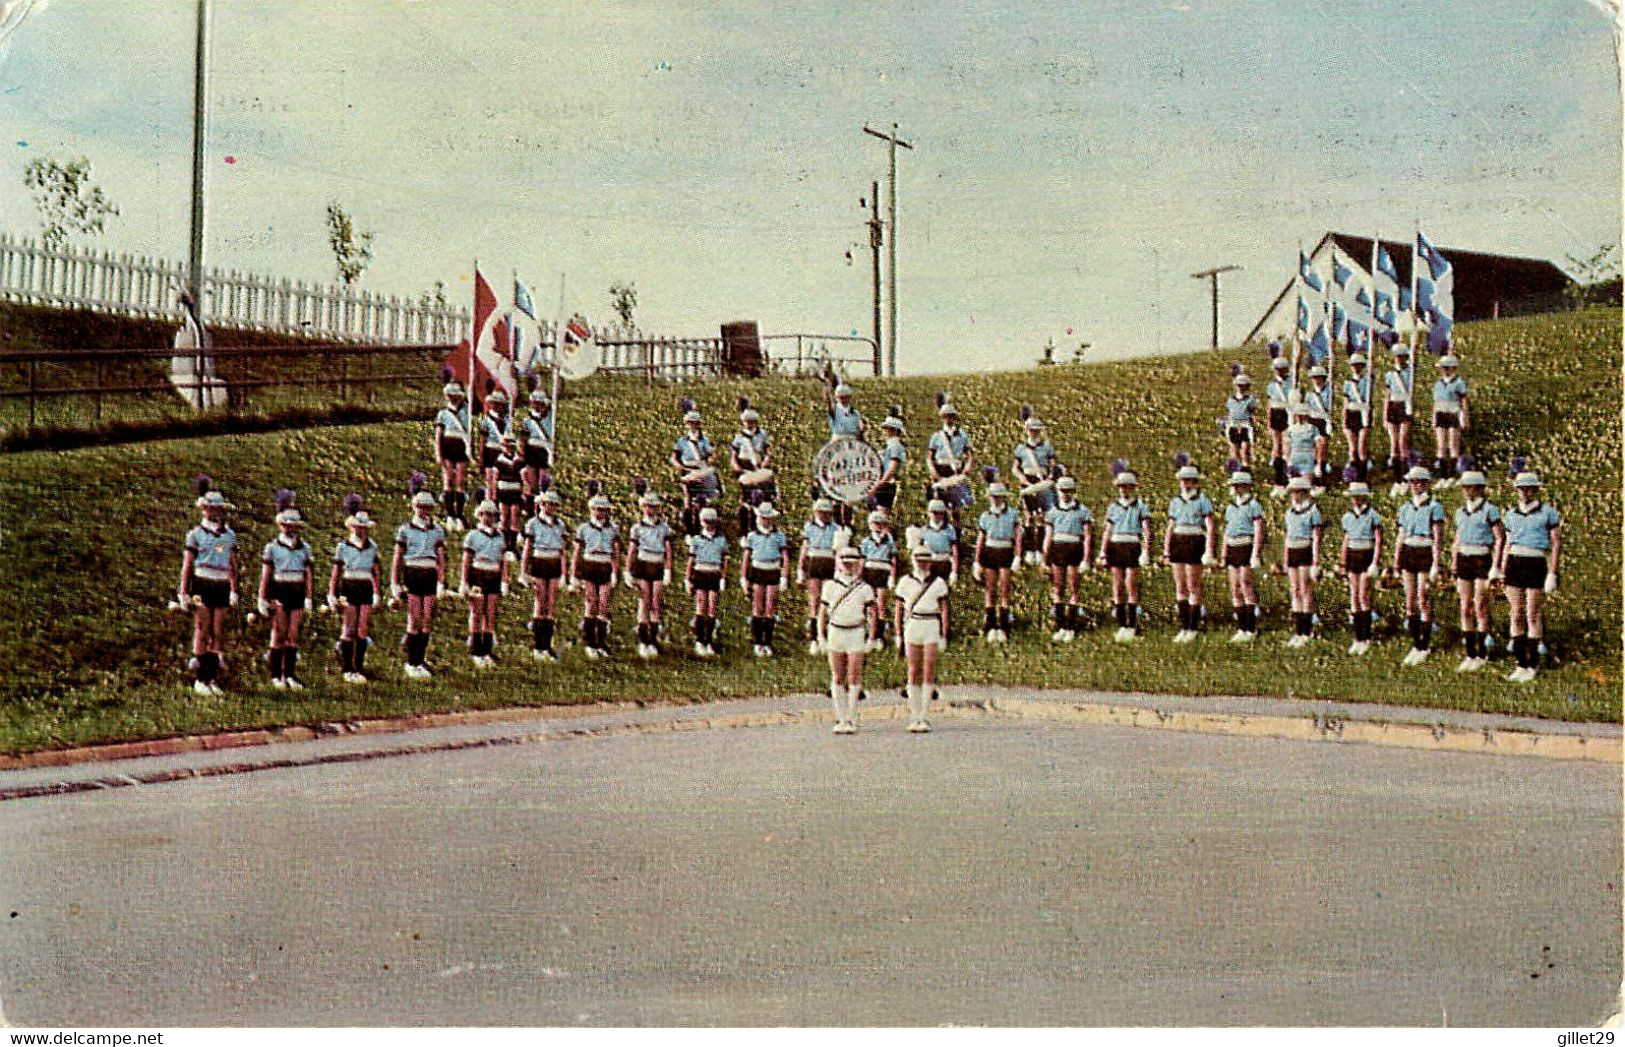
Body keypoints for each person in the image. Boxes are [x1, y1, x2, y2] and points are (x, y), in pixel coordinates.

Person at [1499, 471, 1561, 682]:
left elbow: (1555, 544)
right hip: (1515, 562)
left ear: (1535, 490)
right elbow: (1507, 544)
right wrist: (1501, 569)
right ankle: (1520, 663)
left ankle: (1532, 664)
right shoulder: (1511, 514)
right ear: (1516, 491)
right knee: (1516, 613)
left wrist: (1552, 572)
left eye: (1528, 488)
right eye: (1521, 488)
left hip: (1535, 562)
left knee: (1532, 613)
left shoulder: (1548, 513)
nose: (1524, 492)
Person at [178, 483, 239, 695]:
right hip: (202, 583)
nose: (214, 512)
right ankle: (200, 679)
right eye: (210, 508)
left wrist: (233, 588)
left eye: (217, 509)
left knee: (217, 631)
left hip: (220, 583)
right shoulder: (195, 534)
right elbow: (188, 564)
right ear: (203, 509)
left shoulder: (228, 535)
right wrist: (184, 592)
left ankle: (212, 677)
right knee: (202, 629)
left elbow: (231, 563)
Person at [1450, 469, 1504, 672]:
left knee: (1480, 604)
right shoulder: (1460, 512)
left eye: (1470, 487)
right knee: (1465, 607)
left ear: (1479, 488)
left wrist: (1496, 567)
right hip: (1464, 557)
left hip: (1482, 558)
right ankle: (1470, 653)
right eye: (1464, 487)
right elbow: (1457, 539)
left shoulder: (1489, 510)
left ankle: (1482, 652)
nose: (1467, 491)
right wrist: (1454, 562)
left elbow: (1499, 538)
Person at [894, 544, 951, 734]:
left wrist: (944, 634)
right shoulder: (905, 582)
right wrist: (898, 634)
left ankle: (924, 715)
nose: (922, 563)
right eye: (919, 559)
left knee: (928, 670)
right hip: (913, 624)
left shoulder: (938, 583)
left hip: (931, 624)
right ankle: (914, 714)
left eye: (926, 560)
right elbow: (898, 610)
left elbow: (944, 610)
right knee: (913, 669)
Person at [820, 546, 876, 735]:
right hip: (836, 631)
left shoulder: (865, 588)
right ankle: (840, 717)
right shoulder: (830, 586)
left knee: (854, 675)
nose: (848, 565)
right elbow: (822, 613)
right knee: (837, 675)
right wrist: (820, 635)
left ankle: (851, 718)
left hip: (856, 632)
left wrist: (872, 637)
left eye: (852, 561)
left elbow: (872, 614)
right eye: (845, 561)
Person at [392, 485, 446, 679]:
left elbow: (440, 558)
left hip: (429, 572)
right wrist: (395, 583)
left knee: (427, 619)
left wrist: (441, 581)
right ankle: (411, 661)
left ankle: (420, 659)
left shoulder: (437, 530)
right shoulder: (405, 530)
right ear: (414, 507)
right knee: (414, 618)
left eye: (427, 507)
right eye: (420, 507)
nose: (423, 511)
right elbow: (398, 557)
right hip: (413, 571)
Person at [1392, 465, 1445, 666]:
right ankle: (1415, 644)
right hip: (1408, 550)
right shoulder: (1405, 508)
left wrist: (1436, 564)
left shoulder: (1434, 507)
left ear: (1426, 484)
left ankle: (1425, 644)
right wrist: (1396, 561)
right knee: (1410, 601)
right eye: (1412, 482)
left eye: (1419, 482)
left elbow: (1438, 538)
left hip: (1424, 550)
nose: (1415, 486)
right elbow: (1401, 535)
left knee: (1424, 598)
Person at [258, 501, 312, 689]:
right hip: (280, 589)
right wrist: (262, 597)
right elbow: (266, 574)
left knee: (292, 634)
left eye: (293, 525)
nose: (289, 528)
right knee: (278, 632)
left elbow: (308, 575)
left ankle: (289, 674)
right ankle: (275, 675)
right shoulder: (272, 547)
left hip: (296, 590)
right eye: (286, 524)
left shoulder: (304, 548)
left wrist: (308, 597)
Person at [1098, 469, 1153, 642]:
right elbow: (1108, 531)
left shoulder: (1140, 506)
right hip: (1116, 544)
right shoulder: (1113, 507)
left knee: (1131, 584)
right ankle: (1122, 624)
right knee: (1117, 586)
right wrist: (1103, 551)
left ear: (1132, 488)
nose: (1123, 490)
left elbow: (1146, 531)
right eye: (1121, 487)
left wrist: (1145, 550)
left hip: (1132, 544)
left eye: (1127, 487)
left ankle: (1132, 625)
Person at [1164, 463, 1216, 644]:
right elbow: (1170, 527)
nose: (1186, 484)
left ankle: (1193, 627)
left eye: (1189, 481)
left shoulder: (1203, 501)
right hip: (1178, 541)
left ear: (1195, 482)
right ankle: (1184, 626)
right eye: (1183, 481)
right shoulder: (1175, 502)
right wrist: (1166, 550)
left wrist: (1209, 549)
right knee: (1180, 586)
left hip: (1195, 541)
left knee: (1193, 585)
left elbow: (1210, 527)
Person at [328, 508, 382, 684]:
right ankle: (347, 668)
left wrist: (376, 592)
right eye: (357, 527)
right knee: (349, 626)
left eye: (364, 528)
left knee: (362, 628)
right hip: (350, 585)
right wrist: (332, 593)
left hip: (364, 585)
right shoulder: (343, 546)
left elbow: (375, 572)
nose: (361, 531)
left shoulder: (372, 547)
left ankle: (358, 667)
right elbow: (336, 572)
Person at [570, 493, 621, 660]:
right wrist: (574, 574)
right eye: (598, 510)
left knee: (604, 604)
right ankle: (590, 642)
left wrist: (615, 572)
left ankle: (601, 642)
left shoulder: (613, 529)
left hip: (605, 564)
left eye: (604, 510)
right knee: (591, 602)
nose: (601, 513)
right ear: (591, 510)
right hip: (590, 564)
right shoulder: (584, 528)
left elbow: (615, 553)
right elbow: (577, 552)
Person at [518, 489, 567, 663]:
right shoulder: (533, 524)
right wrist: (524, 571)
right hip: (539, 561)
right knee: (540, 602)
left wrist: (564, 574)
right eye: (547, 504)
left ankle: (547, 645)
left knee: (551, 604)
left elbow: (562, 551)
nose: (551, 507)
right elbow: (527, 549)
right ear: (541, 504)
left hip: (553, 562)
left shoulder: (560, 525)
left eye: (554, 504)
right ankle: (538, 646)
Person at [626, 490, 675, 659]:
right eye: (647, 506)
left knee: (656, 601)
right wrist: (629, 571)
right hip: (643, 564)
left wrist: (668, 570)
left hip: (658, 564)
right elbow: (632, 551)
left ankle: (652, 640)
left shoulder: (664, 528)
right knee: (644, 601)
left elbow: (668, 551)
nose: (650, 510)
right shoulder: (637, 528)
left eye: (653, 507)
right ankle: (643, 641)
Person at [1043, 475, 1092, 642]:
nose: (1065, 494)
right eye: (1062, 491)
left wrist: (1086, 558)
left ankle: (1071, 626)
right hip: (1058, 548)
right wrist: (1045, 559)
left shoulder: (1082, 511)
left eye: (1068, 491)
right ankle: (1060, 625)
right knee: (1058, 587)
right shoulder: (1053, 512)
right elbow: (1048, 537)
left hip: (1074, 548)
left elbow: (1087, 537)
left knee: (1073, 587)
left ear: (1074, 492)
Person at [1337, 482, 1383, 656]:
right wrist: (1342, 563)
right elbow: (1346, 540)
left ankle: (1366, 636)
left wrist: (1375, 562)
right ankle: (1357, 637)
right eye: (1353, 496)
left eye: (1358, 496)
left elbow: (1378, 541)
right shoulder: (1348, 517)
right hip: (1352, 557)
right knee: (1354, 596)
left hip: (1366, 555)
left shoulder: (1373, 515)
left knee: (1364, 595)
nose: (1355, 499)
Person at [461, 500, 508, 668]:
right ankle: (476, 650)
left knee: (490, 613)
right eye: (483, 514)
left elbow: (503, 560)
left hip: (493, 575)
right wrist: (464, 582)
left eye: (490, 514)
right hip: (478, 574)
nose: (487, 518)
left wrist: (504, 580)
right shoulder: (473, 536)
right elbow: (466, 560)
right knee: (477, 612)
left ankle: (487, 650)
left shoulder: (500, 536)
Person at [1222, 470, 1266, 643]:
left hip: (1245, 545)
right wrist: (1224, 553)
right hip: (1233, 545)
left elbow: (1258, 530)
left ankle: (1250, 627)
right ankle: (1241, 627)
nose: (1234, 488)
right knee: (1235, 587)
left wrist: (1255, 553)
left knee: (1246, 584)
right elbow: (1227, 531)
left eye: (1237, 485)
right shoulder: (1231, 506)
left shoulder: (1254, 505)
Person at [1281, 475, 1325, 647]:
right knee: (1295, 590)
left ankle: (1307, 631)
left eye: (1298, 492)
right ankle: (1298, 630)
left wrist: (1315, 561)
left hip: (1305, 549)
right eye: (1293, 492)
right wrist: (1285, 559)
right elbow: (1287, 537)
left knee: (1305, 589)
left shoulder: (1313, 511)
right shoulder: (1289, 512)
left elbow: (1316, 538)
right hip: (1292, 550)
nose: (1295, 495)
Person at [974, 483, 1020, 643]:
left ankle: (1004, 623)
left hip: (1005, 549)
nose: (994, 499)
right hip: (990, 550)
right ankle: (990, 623)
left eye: (997, 496)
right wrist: (977, 561)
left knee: (1005, 588)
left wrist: (1017, 556)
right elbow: (981, 539)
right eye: (992, 496)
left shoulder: (1012, 514)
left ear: (1003, 497)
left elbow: (1017, 537)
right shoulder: (985, 516)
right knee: (990, 588)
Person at [742, 503, 790, 657]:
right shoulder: (752, 536)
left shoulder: (779, 536)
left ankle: (767, 642)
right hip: (758, 570)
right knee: (757, 607)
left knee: (770, 607)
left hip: (773, 570)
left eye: (769, 518)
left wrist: (784, 576)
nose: (766, 521)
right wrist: (744, 578)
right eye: (763, 518)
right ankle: (757, 642)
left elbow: (785, 558)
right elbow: (746, 558)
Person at [798, 498, 844, 654]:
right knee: (815, 600)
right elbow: (804, 550)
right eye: (821, 512)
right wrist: (801, 569)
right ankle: (814, 637)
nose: (824, 515)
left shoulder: (836, 528)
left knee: (829, 600)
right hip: (814, 562)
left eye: (826, 513)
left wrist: (839, 569)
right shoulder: (809, 527)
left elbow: (838, 551)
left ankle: (828, 634)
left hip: (829, 562)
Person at [1012, 415, 1058, 567]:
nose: (1034, 433)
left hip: (1042, 482)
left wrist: (1049, 477)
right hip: (1028, 481)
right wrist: (1022, 480)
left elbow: (1052, 465)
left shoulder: (1046, 447)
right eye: (1031, 430)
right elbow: (1015, 468)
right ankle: (1029, 550)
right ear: (1026, 431)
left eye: (1036, 431)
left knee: (1041, 517)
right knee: (1028, 516)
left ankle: (1039, 550)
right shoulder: (1021, 448)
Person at [685, 506, 729, 656]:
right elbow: (691, 560)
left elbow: (725, 560)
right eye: (706, 522)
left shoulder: (721, 540)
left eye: (712, 522)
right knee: (701, 605)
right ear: (702, 522)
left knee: (712, 606)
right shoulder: (696, 540)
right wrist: (688, 579)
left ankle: (708, 640)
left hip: (714, 573)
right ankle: (699, 641)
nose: (709, 524)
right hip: (700, 572)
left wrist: (723, 577)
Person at [914, 498, 960, 642]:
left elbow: (955, 550)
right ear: (929, 513)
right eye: (933, 513)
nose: (936, 516)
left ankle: (944, 633)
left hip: (944, 563)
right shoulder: (924, 531)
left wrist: (955, 570)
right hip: (929, 564)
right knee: (928, 597)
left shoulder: (949, 530)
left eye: (939, 513)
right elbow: (918, 551)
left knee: (943, 598)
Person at [926, 399, 975, 527]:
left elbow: (969, 455)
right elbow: (930, 457)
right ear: (942, 418)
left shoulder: (962, 435)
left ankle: (956, 535)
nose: (948, 419)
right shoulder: (937, 436)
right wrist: (934, 473)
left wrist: (966, 469)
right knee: (939, 504)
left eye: (951, 416)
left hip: (955, 471)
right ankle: (941, 530)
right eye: (945, 416)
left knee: (956, 506)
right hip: (940, 470)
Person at [729, 401, 776, 536]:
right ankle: (745, 530)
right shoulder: (739, 437)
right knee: (745, 500)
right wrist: (737, 467)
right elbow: (734, 456)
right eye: (746, 421)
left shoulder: (762, 435)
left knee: (763, 497)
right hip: (745, 467)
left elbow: (768, 452)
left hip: (759, 466)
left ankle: (761, 526)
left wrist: (765, 463)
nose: (749, 424)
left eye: (752, 421)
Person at [672, 407, 719, 537]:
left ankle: (700, 528)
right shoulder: (682, 441)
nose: (693, 425)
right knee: (688, 500)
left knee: (701, 501)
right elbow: (674, 458)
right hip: (687, 471)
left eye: (695, 423)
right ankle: (689, 530)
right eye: (690, 422)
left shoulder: (704, 440)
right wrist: (681, 467)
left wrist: (711, 458)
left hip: (701, 471)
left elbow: (709, 455)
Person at [434, 382, 471, 531]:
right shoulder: (443, 413)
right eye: (450, 396)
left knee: (460, 481)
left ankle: (460, 514)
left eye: (455, 396)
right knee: (448, 479)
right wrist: (439, 453)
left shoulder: (466, 411)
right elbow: (438, 435)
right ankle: (450, 515)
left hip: (461, 447)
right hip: (448, 446)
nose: (453, 398)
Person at [859, 509, 898, 651]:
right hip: (869, 573)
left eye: (880, 523)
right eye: (874, 523)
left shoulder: (890, 542)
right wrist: (859, 577)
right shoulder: (866, 542)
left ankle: (880, 637)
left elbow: (893, 560)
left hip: (883, 573)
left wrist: (892, 577)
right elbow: (862, 561)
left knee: (881, 605)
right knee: (870, 607)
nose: (877, 526)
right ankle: (871, 636)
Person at [1431, 355, 1470, 488]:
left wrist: (1464, 417)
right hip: (1441, 413)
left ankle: (1452, 475)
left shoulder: (1459, 383)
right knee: (1441, 445)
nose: (1444, 370)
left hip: (1453, 413)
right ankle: (1442, 476)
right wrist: (1433, 417)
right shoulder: (1438, 384)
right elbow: (1436, 402)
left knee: (1453, 444)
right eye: (1443, 368)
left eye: (1447, 368)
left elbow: (1464, 401)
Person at [1382, 346, 1415, 497]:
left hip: (1405, 406)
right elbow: (1387, 395)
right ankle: (1397, 480)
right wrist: (1384, 415)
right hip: (1393, 407)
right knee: (1393, 444)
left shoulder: (1411, 371)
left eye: (1402, 356)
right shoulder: (1389, 374)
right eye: (1397, 356)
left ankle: (1406, 477)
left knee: (1403, 442)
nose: (1399, 358)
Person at [1264, 354, 1295, 491]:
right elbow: (1269, 405)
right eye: (1277, 369)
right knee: (1277, 447)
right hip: (1276, 414)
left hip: (1287, 413)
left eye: (1281, 369)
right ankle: (1278, 478)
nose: (1279, 371)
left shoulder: (1292, 382)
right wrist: (1268, 422)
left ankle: (1287, 475)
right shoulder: (1271, 386)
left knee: (1287, 446)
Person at [1342, 354, 1374, 483]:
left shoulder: (1368, 381)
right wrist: (1344, 421)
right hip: (1351, 414)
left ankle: (1362, 477)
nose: (1356, 368)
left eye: (1359, 365)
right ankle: (1353, 477)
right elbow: (1345, 403)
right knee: (1352, 448)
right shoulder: (1348, 383)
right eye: (1354, 365)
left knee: (1361, 447)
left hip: (1363, 414)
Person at [492, 434, 526, 555]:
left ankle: (512, 546)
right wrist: (494, 495)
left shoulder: (519, 460)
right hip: (503, 492)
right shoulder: (499, 460)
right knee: (504, 518)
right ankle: (504, 545)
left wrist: (524, 493)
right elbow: (495, 479)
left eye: (510, 444)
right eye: (505, 444)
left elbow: (523, 478)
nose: (508, 447)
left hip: (515, 492)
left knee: (514, 518)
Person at [867, 412, 907, 513]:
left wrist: (877, 486)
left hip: (885, 486)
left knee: (881, 516)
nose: (884, 431)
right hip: (882, 484)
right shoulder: (890, 446)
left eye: (886, 428)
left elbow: (891, 470)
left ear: (893, 430)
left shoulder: (895, 446)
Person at [519, 390, 554, 501]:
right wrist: (522, 451)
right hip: (532, 451)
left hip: (544, 450)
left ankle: (543, 499)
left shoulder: (550, 417)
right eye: (534, 402)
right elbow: (523, 437)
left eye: (538, 402)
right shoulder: (527, 419)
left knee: (544, 481)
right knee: (532, 481)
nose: (535, 405)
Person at [1302, 365, 1333, 486]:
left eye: (1318, 377)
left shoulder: (1329, 392)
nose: (1316, 380)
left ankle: (1322, 479)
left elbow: (1329, 408)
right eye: (1314, 377)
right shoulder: (1310, 395)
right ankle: (1312, 477)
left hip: (1323, 421)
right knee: (1314, 450)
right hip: (1312, 421)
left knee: (1322, 448)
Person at [1282, 397, 1320, 496]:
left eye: (1302, 415)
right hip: (1295, 456)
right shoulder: (1290, 429)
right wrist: (1287, 459)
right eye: (1297, 415)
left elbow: (1318, 445)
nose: (1299, 417)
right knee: (1294, 483)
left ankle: (1309, 486)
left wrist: (1317, 463)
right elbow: (1287, 445)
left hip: (1308, 456)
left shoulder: (1313, 428)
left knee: (1306, 483)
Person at [478, 390, 511, 500]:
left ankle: (497, 500)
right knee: (490, 479)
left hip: (502, 451)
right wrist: (481, 458)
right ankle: (489, 500)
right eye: (494, 403)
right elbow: (482, 440)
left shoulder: (508, 419)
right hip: (490, 451)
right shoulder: (486, 420)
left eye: (499, 403)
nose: (496, 406)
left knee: (499, 480)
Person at [1223, 373, 1256, 469]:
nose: (1241, 387)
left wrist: (1253, 428)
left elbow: (1252, 415)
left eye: (1243, 385)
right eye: (1239, 385)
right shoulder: (1231, 399)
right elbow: (1229, 413)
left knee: (1245, 451)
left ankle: (1246, 469)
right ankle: (1236, 471)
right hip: (1233, 426)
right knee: (1234, 451)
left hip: (1245, 426)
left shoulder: (1250, 400)